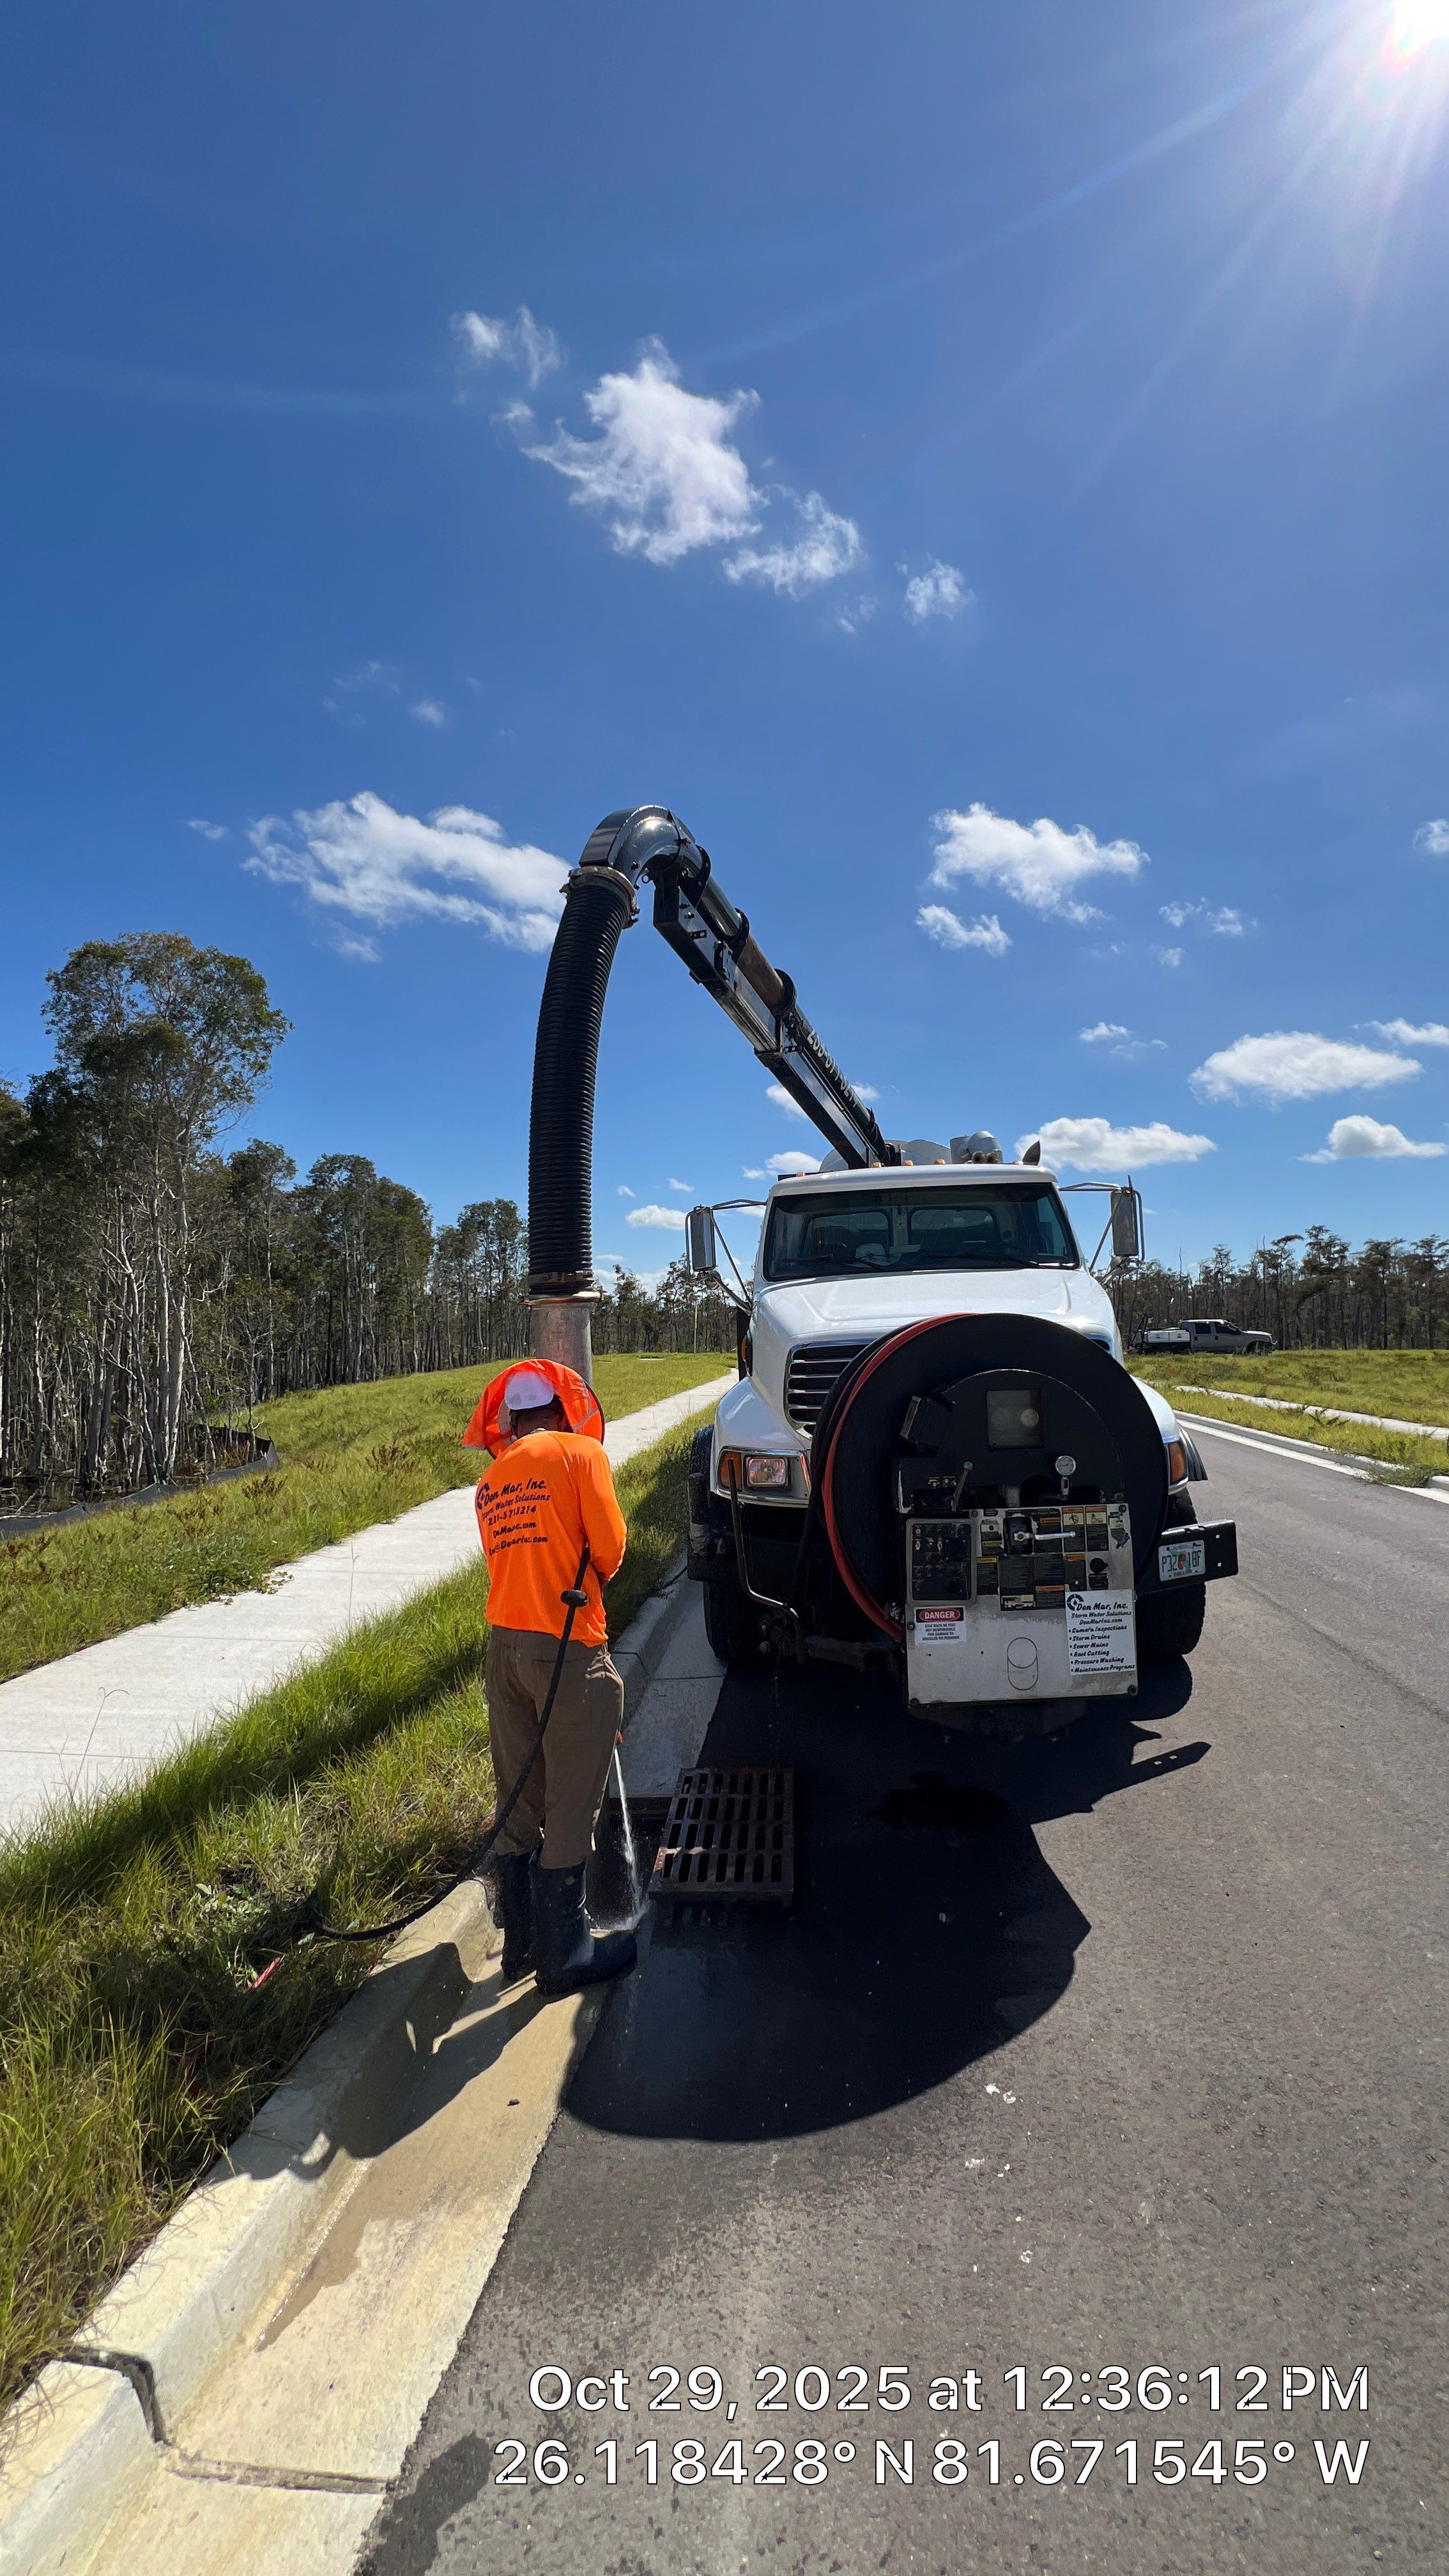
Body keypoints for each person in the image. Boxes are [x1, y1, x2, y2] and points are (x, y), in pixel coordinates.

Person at [471, 1365, 636, 1995]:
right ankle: (564, 1954)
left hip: (503, 1653)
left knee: (519, 1795)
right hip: (566, 1649)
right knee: (572, 1801)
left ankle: (521, 1945)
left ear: (509, 1424)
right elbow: (612, 1551)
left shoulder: (489, 1484)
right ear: (564, 1413)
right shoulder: (581, 1453)